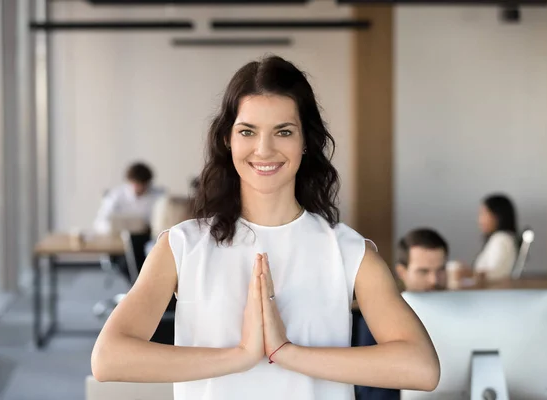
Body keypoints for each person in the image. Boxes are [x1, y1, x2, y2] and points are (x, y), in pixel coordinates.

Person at [91, 56, 440, 399]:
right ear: (228, 139)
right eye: (248, 131)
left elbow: (421, 368)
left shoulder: (349, 252)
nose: (264, 149)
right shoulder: (182, 246)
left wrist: (286, 352)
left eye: (283, 131)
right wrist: (241, 356)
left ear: (306, 141)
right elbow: (108, 359)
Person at [354, 228, 449, 399]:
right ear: (402, 272)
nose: (434, 280)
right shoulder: (378, 317)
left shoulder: (460, 310)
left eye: (440, 270)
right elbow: (370, 391)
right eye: (423, 271)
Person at [454, 194, 519, 283]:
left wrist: (469, 273)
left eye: (483, 213)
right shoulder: (502, 238)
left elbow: (497, 274)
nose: (479, 220)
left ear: (497, 216)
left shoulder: (501, 239)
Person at [93, 162, 164, 234]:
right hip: (119, 238)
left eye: (142, 185)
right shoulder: (115, 195)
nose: (139, 188)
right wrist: (117, 228)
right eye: (136, 184)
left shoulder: (159, 196)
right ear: (129, 181)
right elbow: (99, 223)